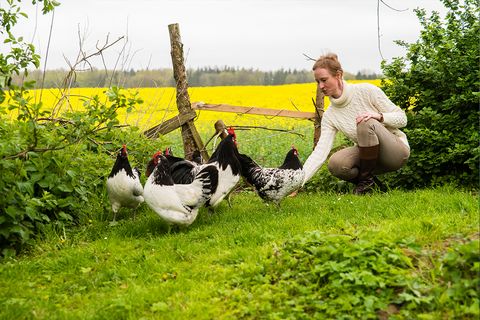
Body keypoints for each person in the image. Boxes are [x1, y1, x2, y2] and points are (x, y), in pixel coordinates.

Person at [302, 53, 410, 194]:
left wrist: (379, 117)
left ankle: (365, 183)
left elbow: (402, 119)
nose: (321, 86)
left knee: (365, 122)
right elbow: (320, 152)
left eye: (324, 80)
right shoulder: (330, 115)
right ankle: (372, 187)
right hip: (369, 159)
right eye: (318, 82)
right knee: (336, 164)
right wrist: (298, 182)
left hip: (395, 152)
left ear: (339, 75)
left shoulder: (367, 91)